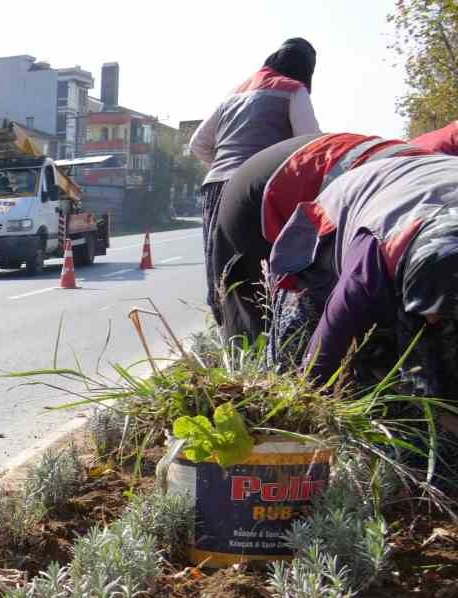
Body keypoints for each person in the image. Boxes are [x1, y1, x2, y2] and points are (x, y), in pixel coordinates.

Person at [268, 153, 458, 397]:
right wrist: (307, 407)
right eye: (437, 315)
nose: (439, 323)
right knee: (297, 365)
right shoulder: (367, 274)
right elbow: (318, 371)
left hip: (428, 191)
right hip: (345, 213)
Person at [211, 133, 427, 342]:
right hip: (266, 186)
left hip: (327, 162)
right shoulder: (382, 241)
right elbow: (342, 312)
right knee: (260, 329)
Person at [190, 38, 321, 325]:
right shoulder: (293, 90)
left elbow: (198, 143)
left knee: (221, 273)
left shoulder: (234, 93)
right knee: (264, 277)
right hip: (259, 190)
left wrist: (226, 167)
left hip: (216, 188)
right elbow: (310, 146)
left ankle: (229, 343)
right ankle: (270, 344)